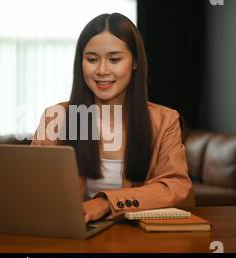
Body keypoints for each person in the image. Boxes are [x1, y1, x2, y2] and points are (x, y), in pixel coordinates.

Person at [31, 13, 193, 223]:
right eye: (91, 59)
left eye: (114, 59)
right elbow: (33, 185)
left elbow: (176, 186)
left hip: (137, 239)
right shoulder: (56, 118)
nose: (102, 70)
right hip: (72, 234)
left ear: (135, 62)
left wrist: (106, 202)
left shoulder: (165, 121)